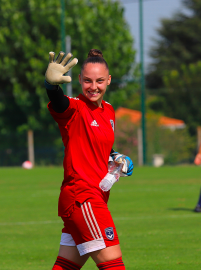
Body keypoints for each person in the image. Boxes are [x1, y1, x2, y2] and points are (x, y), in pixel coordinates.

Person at [44, 49, 134, 270]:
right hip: (82, 197)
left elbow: (101, 144)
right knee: (114, 265)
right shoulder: (75, 108)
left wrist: (117, 157)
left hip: (94, 197)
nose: (94, 86)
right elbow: (59, 103)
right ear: (79, 80)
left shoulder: (109, 111)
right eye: (87, 81)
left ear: (109, 80)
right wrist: (51, 87)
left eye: (100, 81)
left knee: (66, 265)